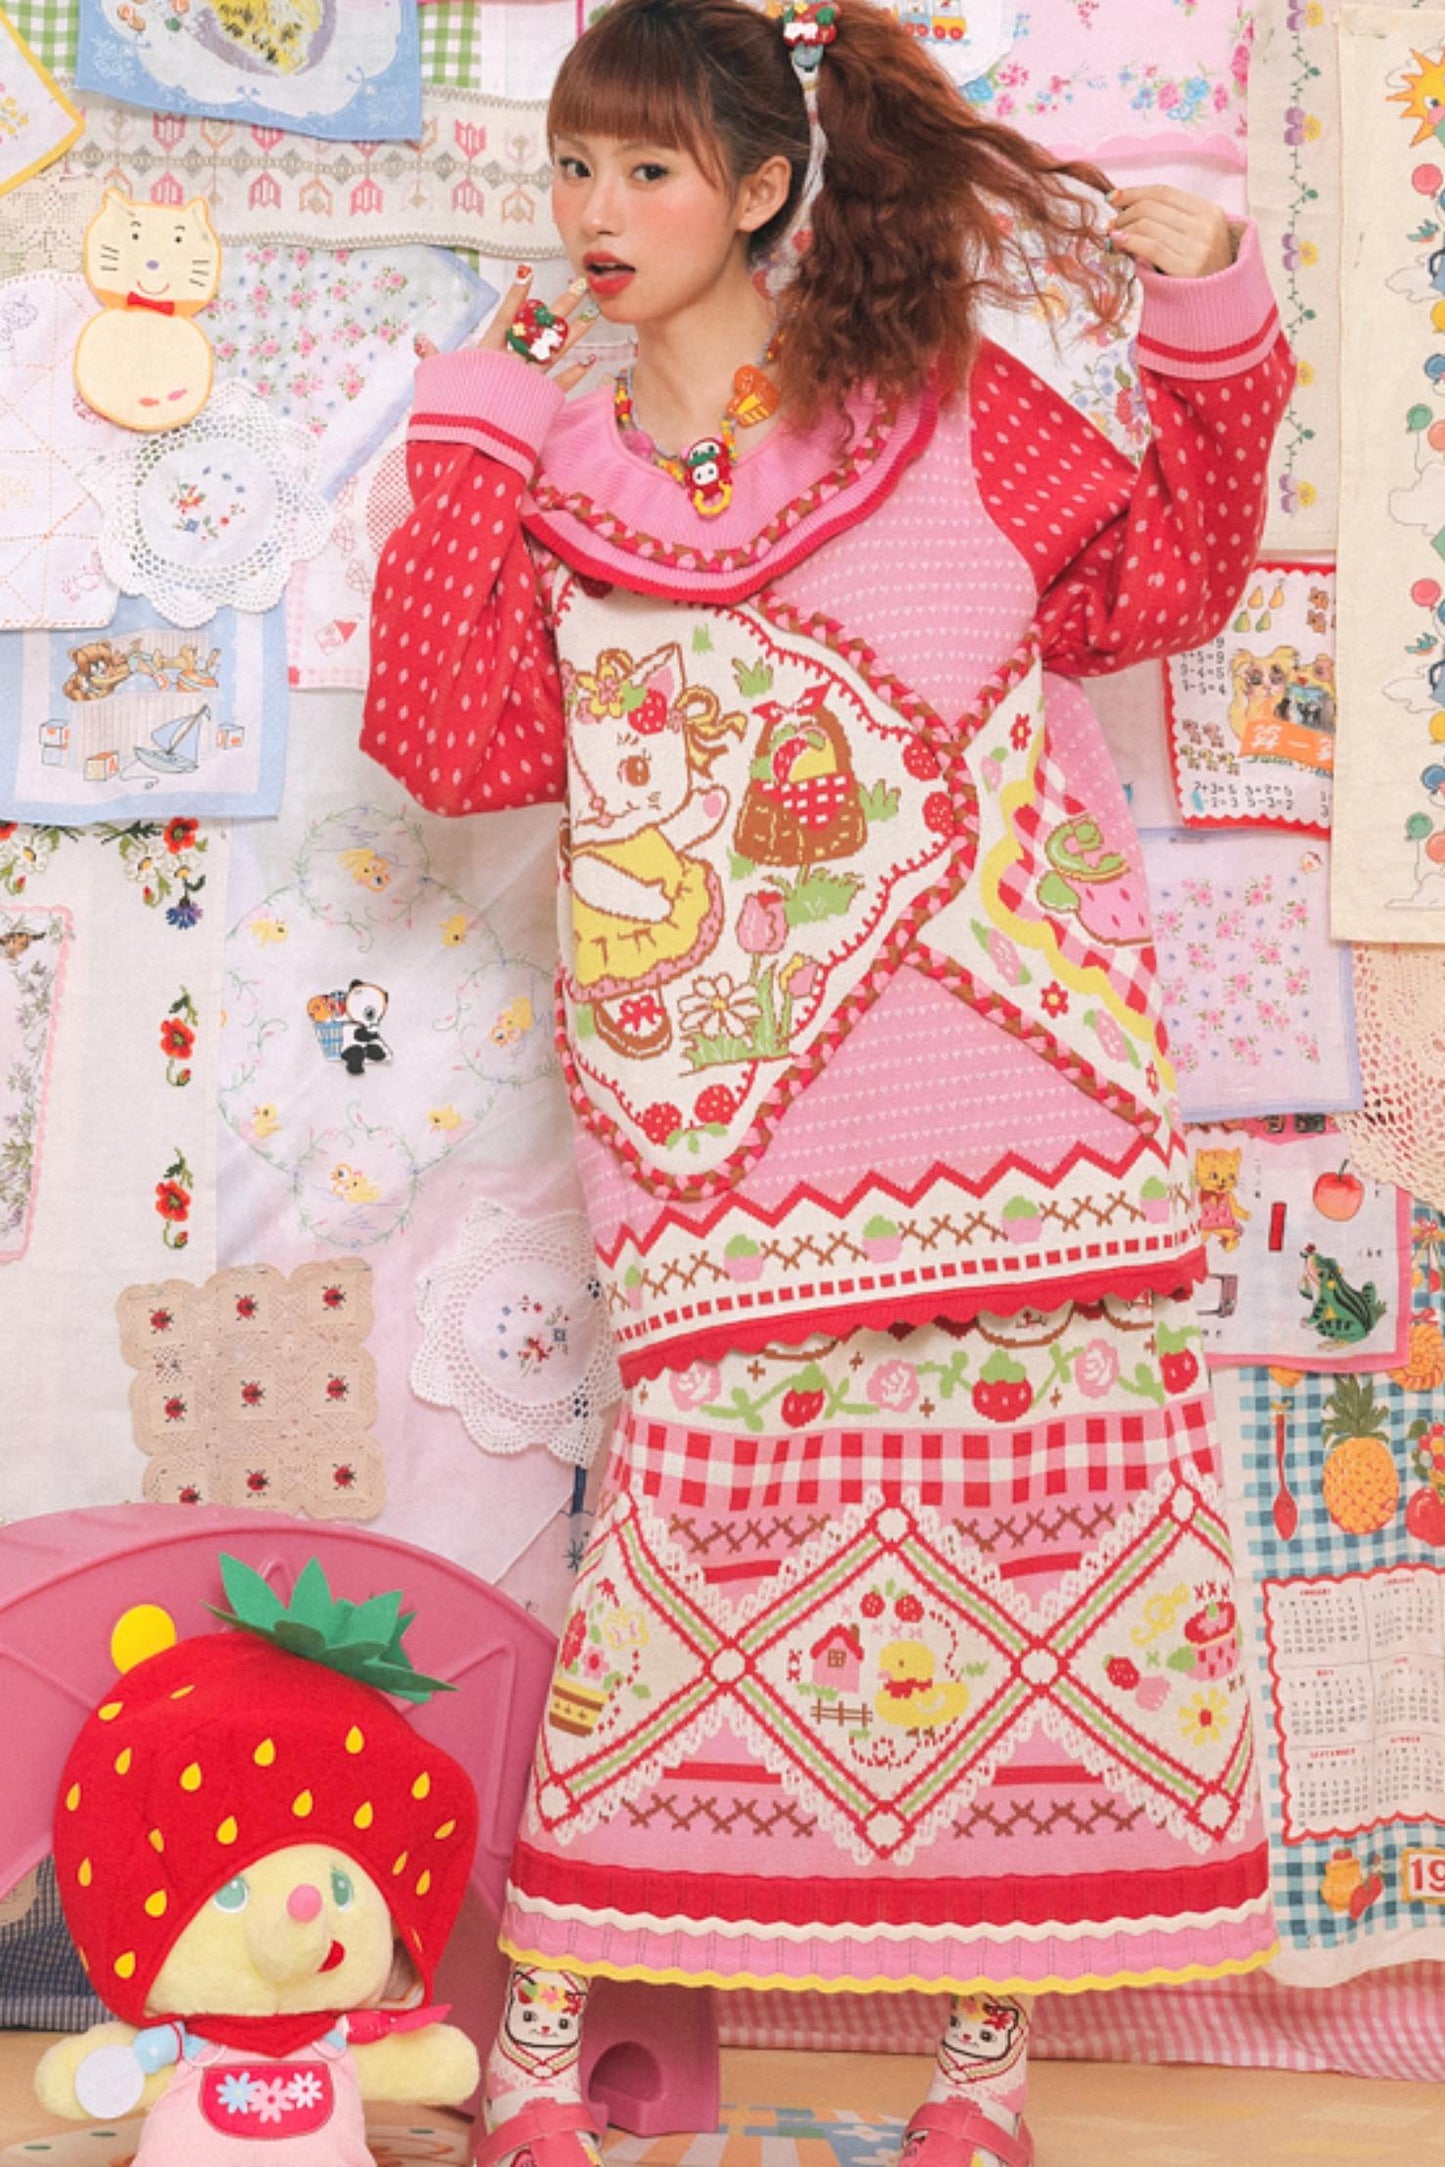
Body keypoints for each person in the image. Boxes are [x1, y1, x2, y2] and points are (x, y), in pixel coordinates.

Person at [362, 4, 1292, 2162]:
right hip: (717, 1158)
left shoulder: (949, 413)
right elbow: (457, 748)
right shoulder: (557, 470)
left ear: (766, 185)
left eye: (647, 170)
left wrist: (1210, 321)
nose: (594, 214)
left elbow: (1163, 584)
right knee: (672, 1602)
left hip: (1029, 1121)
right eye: (573, 168)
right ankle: (534, 2072)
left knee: (1038, 1604)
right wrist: (469, 442)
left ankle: (984, 2081)